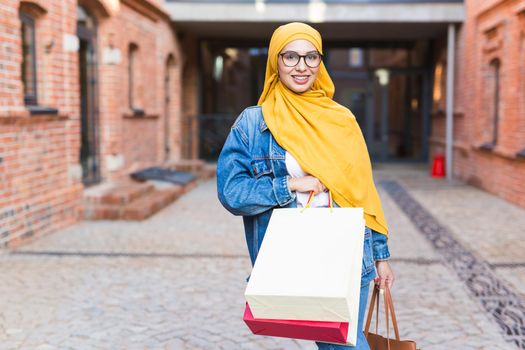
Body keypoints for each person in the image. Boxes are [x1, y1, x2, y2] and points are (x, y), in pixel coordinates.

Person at [216, 22, 394, 350]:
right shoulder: (254, 124)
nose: (302, 66)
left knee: (343, 344)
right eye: (291, 57)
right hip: (294, 256)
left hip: (351, 251)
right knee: (338, 344)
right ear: (275, 62)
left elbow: (364, 191)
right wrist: (290, 185)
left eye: (311, 57)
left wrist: (381, 255)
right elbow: (231, 191)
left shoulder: (341, 120)